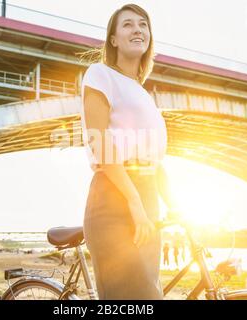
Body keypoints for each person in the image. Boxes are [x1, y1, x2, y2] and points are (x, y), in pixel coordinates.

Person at [80, 4, 179, 300]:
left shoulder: (143, 94)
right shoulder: (100, 74)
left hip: (147, 203)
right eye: (127, 25)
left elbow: (155, 161)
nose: (137, 29)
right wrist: (134, 202)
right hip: (114, 201)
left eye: (143, 24)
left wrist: (176, 206)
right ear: (113, 39)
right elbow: (100, 143)